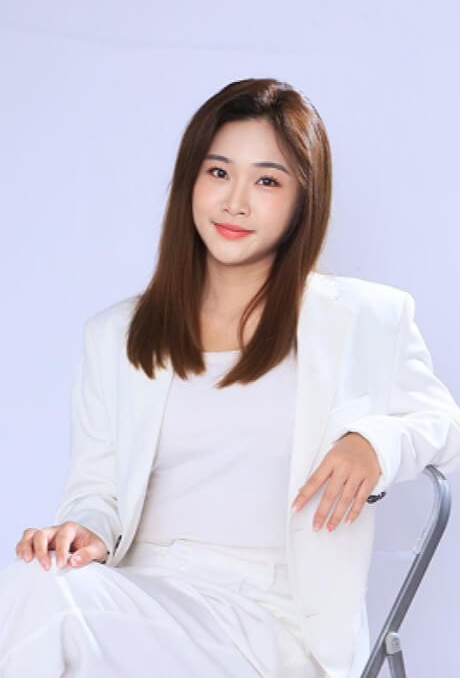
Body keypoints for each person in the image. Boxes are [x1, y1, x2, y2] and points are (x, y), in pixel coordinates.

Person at [1, 77, 460, 678]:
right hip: (138, 598)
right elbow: (97, 488)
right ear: (189, 181)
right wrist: (85, 531)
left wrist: (375, 441)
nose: (235, 202)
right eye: (218, 172)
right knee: (38, 580)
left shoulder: (364, 317)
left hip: (274, 622)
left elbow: (443, 425)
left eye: (267, 181)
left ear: (303, 200)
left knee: (44, 604)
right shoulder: (117, 334)